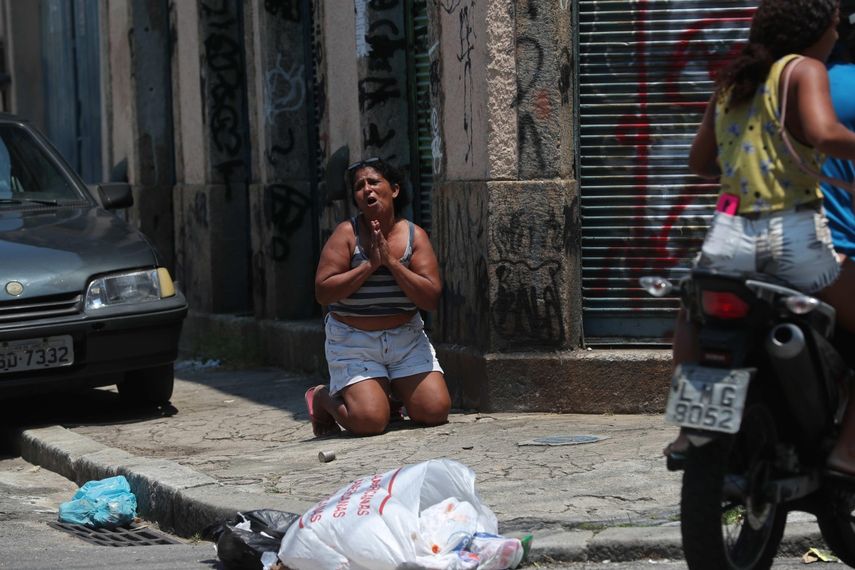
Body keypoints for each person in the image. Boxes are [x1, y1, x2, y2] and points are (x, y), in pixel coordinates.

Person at [664, 0, 855, 475]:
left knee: (693, 314)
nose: (838, 34)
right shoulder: (805, 69)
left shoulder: (734, 78)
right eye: (834, 25)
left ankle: (692, 429)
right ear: (816, 29)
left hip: (728, 239)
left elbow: (700, 162)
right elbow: (824, 133)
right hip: (793, 237)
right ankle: (847, 453)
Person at [307, 157, 451, 437]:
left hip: (405, 339)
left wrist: (392, 264)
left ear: (394, 190)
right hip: (354, 342)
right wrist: (369, 265)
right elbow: (323, 291)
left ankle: (390, 393)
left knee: (434, 412)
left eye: (374, 182)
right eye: (360, 186)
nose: (367, 190)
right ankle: (322, 397)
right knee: (369, 422)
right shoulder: (346, 234)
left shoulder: (414, 235)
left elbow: (431, 299)